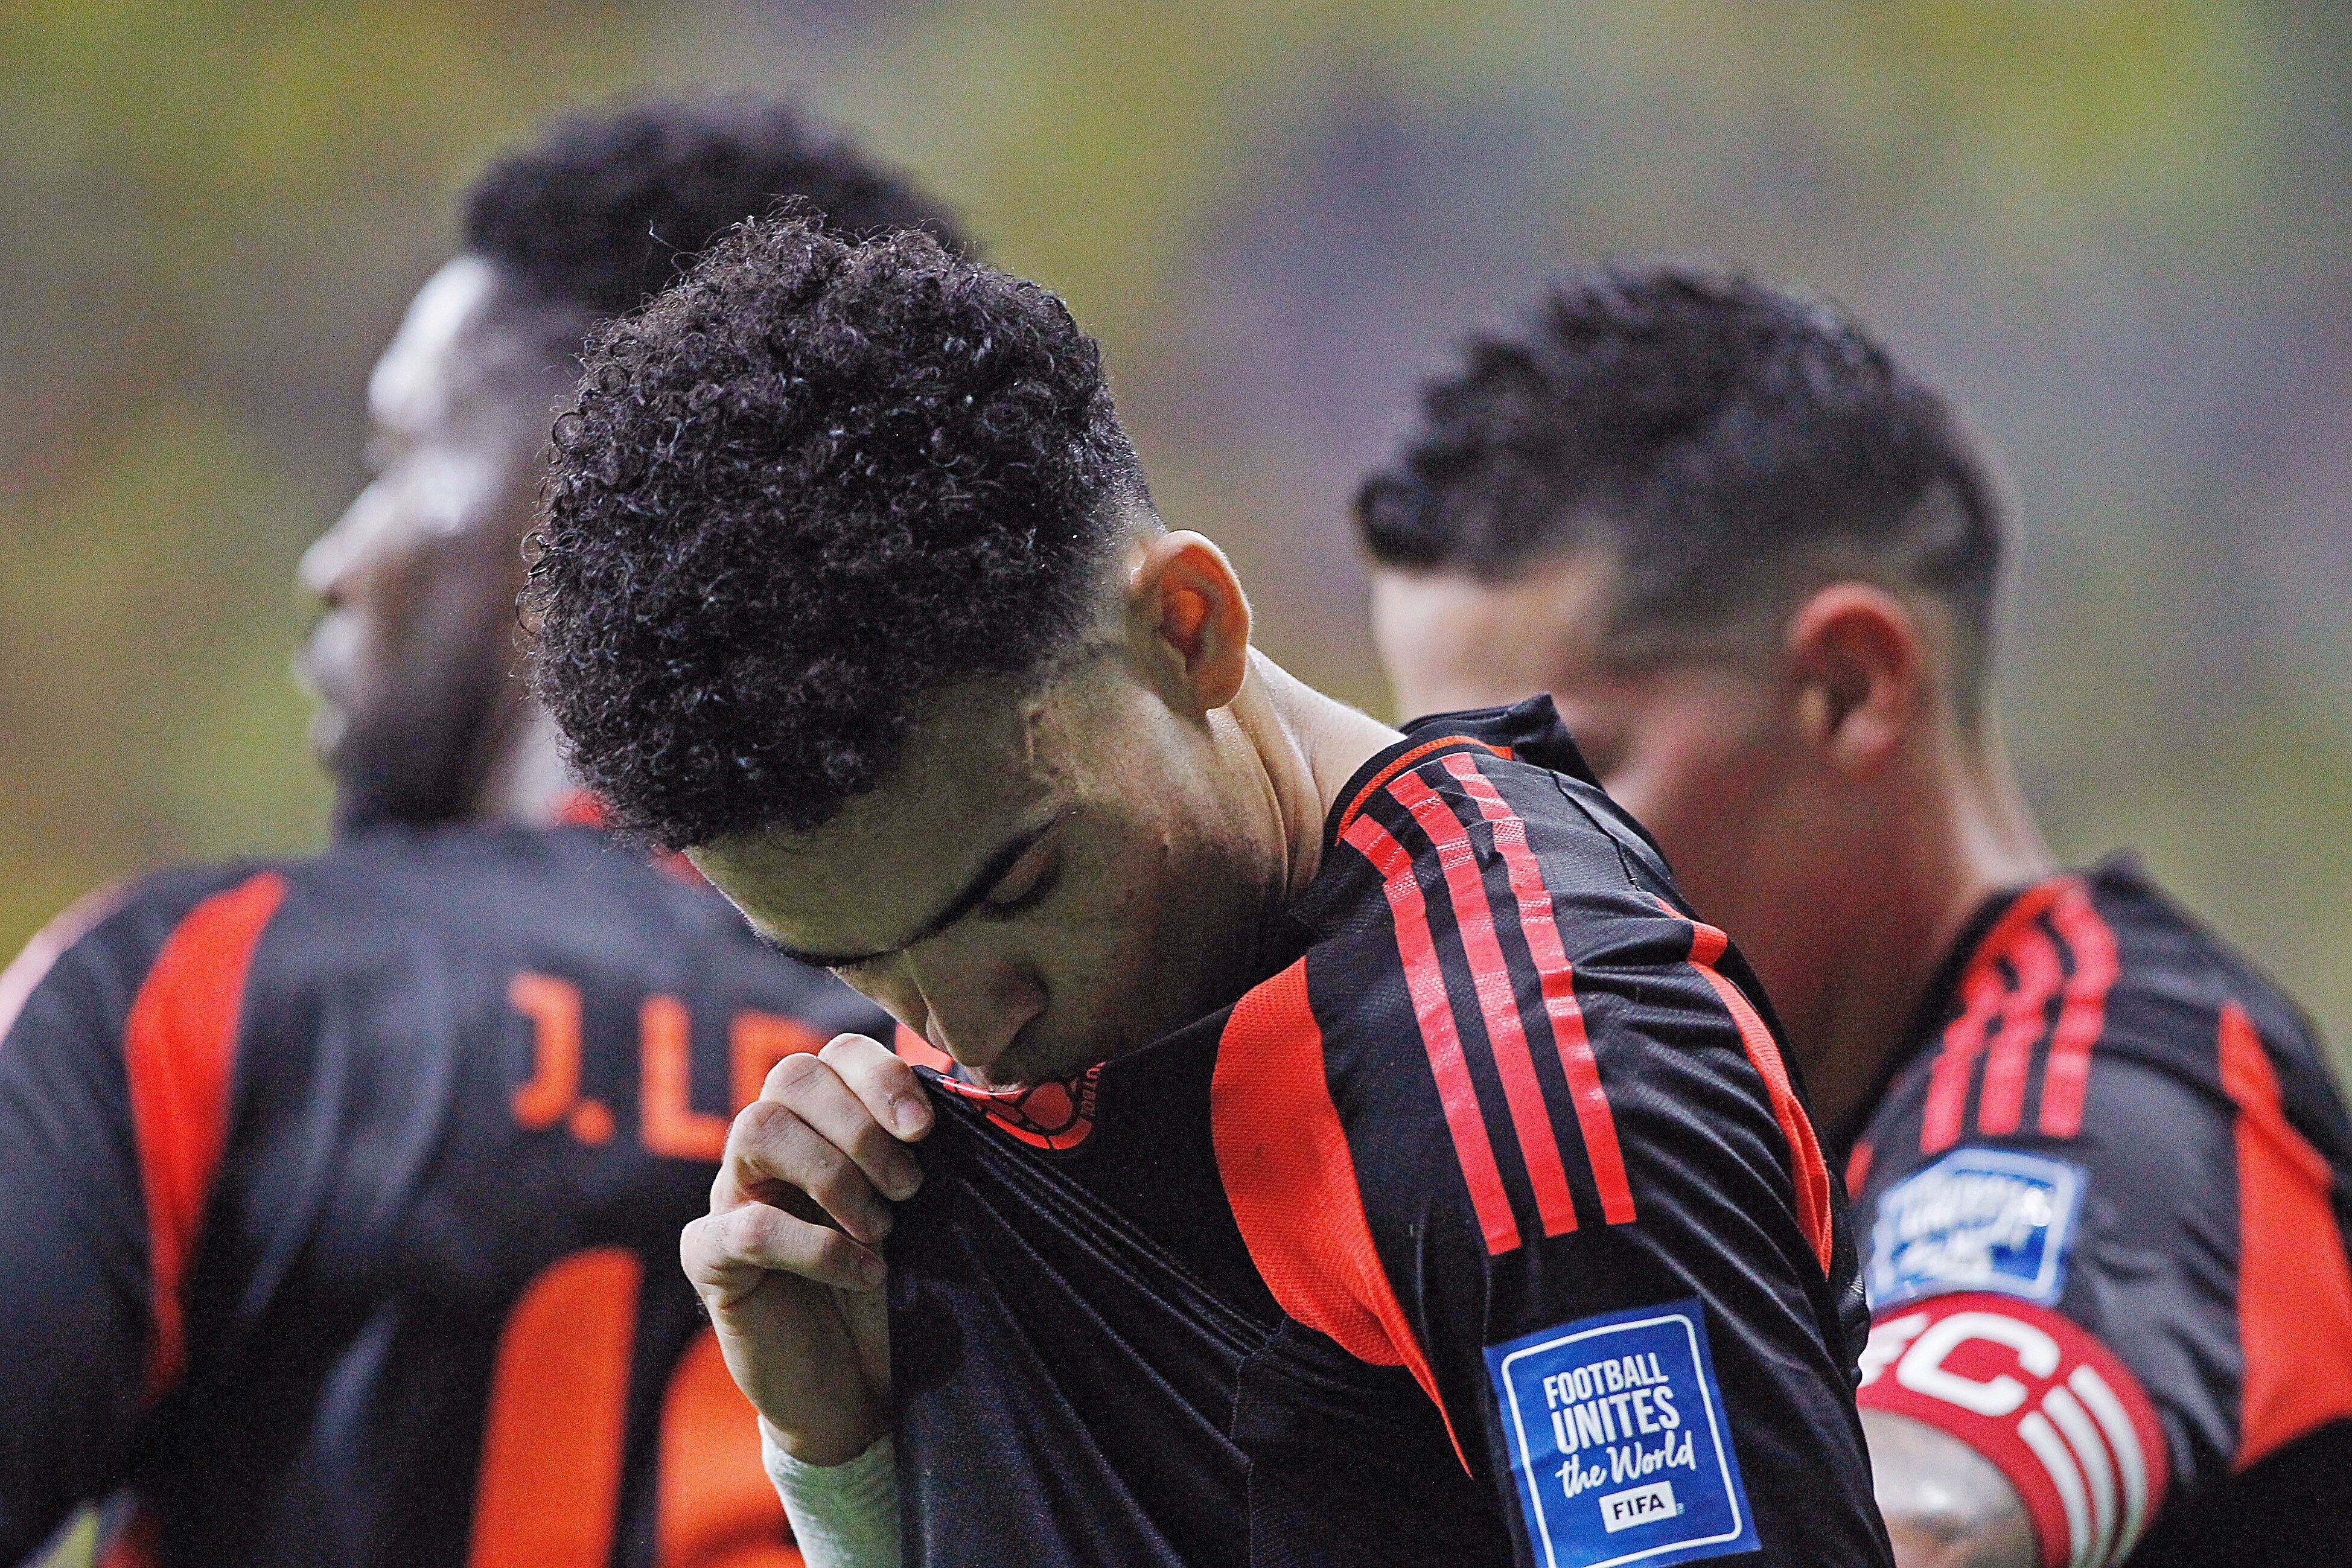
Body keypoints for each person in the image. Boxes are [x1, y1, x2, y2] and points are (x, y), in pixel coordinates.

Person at [523, 215, 1896, 1568]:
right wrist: (855, 1468)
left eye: (1021, 885)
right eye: (854, 962)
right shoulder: (948, 1079)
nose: (966, 1025)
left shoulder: (1537, 1089)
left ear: (1188, 628)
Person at [0, 100, 964, 1568]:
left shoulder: (212, 993)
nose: (335, 562)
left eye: (395, 456)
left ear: (568, 504)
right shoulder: (1003, 1068)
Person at [1355, 264, 2352, 1568]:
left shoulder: (2106, 1086)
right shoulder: (1708, 1144)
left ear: (1846, 687)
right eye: (1443, 786)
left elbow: (1919, 1531)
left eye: (1555, 771)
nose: (1489, 859)